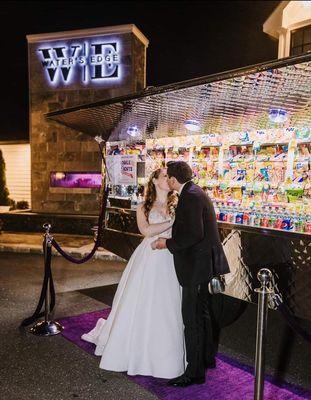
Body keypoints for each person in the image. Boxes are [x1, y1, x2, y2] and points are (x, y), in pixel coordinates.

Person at [81, 168, 185, 379]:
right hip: (150, 256)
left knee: (168, 303)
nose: (169, 178)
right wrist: (171, 223)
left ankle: (166, 352)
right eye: (164, 175)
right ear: (155, 181)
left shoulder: (178, 204)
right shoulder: (144, 206)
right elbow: (146, 231)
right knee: (143, 299)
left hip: (171, 255)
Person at [152, 161, 230, 387]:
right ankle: (206, 359)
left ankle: (194, 372)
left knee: (192, 319)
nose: (167, 180)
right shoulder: (194, 192)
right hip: (201, 266)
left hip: (196, 267)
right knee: (202, 314)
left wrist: (167, 243)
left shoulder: (191, 196)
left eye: (168, 177)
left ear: (173, 180)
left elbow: (194, 234)